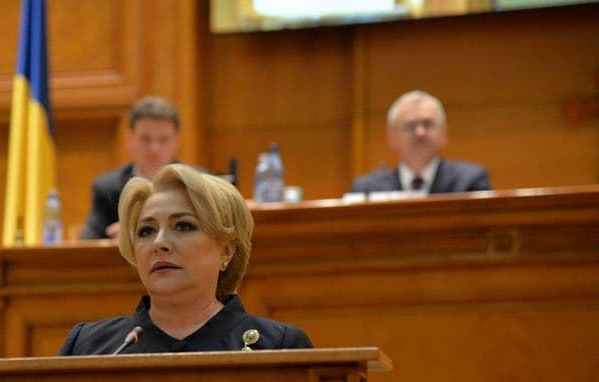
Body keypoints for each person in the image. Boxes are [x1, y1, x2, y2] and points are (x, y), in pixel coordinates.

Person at [60, 164, 313, 354]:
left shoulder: (277, 347)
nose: (159, 243)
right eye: (146, 231)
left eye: (183, 226)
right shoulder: (89, 347)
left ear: (226, 250)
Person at [80, 96, 183, 240]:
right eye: (146, 139)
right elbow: (88, 244)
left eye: (164, 139)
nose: (155, 149)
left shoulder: (197, 183)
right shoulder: (107, 189)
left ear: (176, 142)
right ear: (129, 140)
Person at [349, 90, 491, 194]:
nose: (420, 133)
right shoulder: (367, 189)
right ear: (392, 137)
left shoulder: (470, 181)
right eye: (410, 126)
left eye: (428, 124)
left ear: (444, 132)